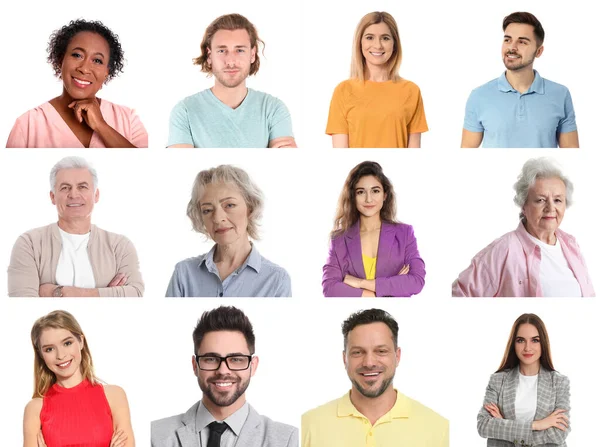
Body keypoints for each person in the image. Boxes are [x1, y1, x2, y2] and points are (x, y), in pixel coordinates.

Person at [151, 306, 298, 446]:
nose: (222, 371)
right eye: (211, 359)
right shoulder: (154, 436)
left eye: (236, 359)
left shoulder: (288, 440)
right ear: (195, 365)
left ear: (253, 366)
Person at [302, 309, 448, 447]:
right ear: (344, 359)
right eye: (358, 352)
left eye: (381, 351)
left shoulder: (438, 429)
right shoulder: (308, 426)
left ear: (397, 356)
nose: (369, 363)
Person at [453, 157, 594, 297]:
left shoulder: (571, 244)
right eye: (540, 200)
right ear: (523, 206)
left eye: (558, 200)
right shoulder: (504, 249)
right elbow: (460, 294)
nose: (551, 208)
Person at [7, 156, 144, 297]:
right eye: (65, 188)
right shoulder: (29, 243)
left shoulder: (119, 246)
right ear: (53, 197)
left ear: (96, 195)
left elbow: (136, 293)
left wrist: (60, 292)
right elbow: (22, 301)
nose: (73, 194)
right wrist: (106, 295)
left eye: (82, 187)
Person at [6, 19, 147, 148]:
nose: (84, 69)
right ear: (61, 60)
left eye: (97, 60)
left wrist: (101, 126)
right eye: (77, 55)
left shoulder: (128, 120)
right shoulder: (27, 125)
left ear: (107, 72)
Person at [168, 13, 296, 148]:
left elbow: (285, 162)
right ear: (210, 55)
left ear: (252, 55)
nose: (230, 62)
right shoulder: (185, 111)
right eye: (222, 51)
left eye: (239, 50)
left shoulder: (273, 108)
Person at [166, 165, 291, 297]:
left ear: (250, 207)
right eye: (207, 210)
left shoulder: (276, 280)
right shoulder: (184, 273)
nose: (218, 219)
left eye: (229, 205)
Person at [461, 12, 578, 148]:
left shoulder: (560, 94)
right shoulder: (479, 96)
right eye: (507, 40)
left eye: (522, 42)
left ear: (539, 51)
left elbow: (571, 155)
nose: (512, 47)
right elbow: (466, 156)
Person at [24, 310, 134, 447]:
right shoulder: (35, 408)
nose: (60, 355)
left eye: (67, 343)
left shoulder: (114, 395)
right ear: (41, 355)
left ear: (81, 341)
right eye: (49, 349)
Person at [322, 161, 425, 297]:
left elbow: (416, 281)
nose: (368, 199)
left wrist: (360, 283)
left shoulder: (404, 233)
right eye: (361, 192)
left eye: (375, 191)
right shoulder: (339, 239)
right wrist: (388, 291)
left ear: (385, 195)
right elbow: (330, 289)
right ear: (353, 197)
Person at [326, 11, 428, 148]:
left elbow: (413, 153)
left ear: (395, 44)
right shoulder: (343, 90)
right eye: (369, 37)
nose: (378, 45)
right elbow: (341, 153)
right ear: (359, 42)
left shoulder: (411, 90)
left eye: (385, 38)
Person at [478, 313, 570, 446]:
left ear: (542, 343)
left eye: (535, 340)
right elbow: (484, 426)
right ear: (513, 344)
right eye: (521, 340)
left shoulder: (559, 382)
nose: (527, 347)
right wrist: (537, 425)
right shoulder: (498, 380)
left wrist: (503, 425)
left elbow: (559, 434)